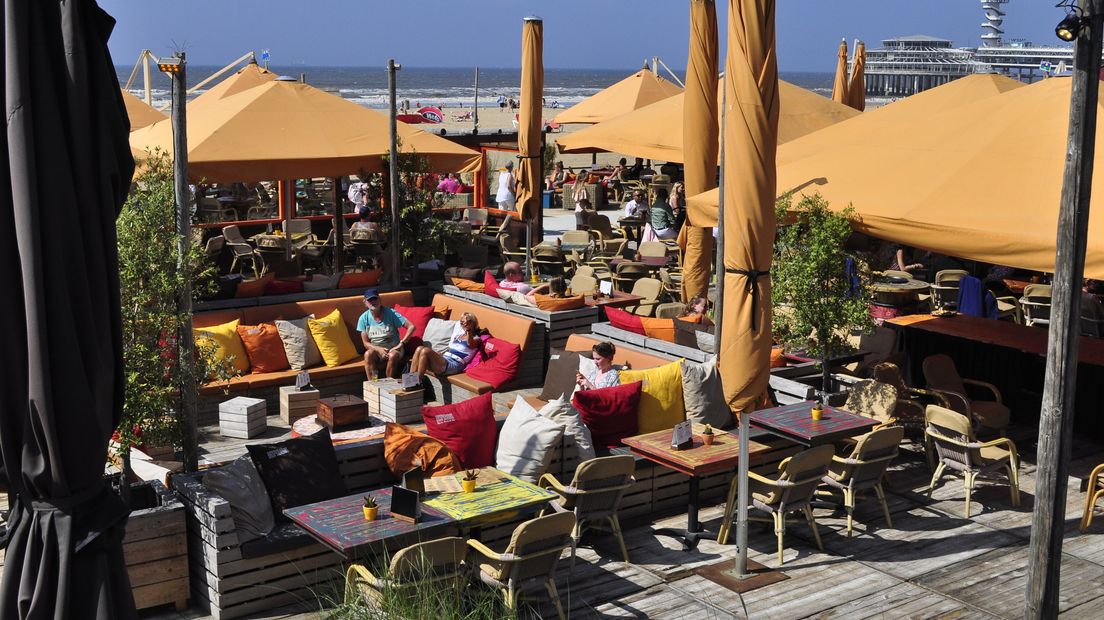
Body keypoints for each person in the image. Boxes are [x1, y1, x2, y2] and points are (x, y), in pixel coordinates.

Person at [357, 288, 415, 380]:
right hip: (376, 350)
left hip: (394, 348)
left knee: (393, 355)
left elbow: (411, 326)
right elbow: (366, 343)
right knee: (368, 354)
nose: (373, 302)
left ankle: (388, 384)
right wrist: (379, 349)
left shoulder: (391, 313)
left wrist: (402, 343)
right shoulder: (363, 318)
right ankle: (374, 382)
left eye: (375, 299)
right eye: (370, 300)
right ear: (365, 302)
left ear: (379, 299)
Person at [409, 312, 483, 381]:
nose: (463, 323)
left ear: (473, 323)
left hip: (455, 364)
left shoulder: (476, 339)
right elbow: (451, 349)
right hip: (445, 359)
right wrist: (440, 355)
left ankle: (416, 382)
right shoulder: (459, 336)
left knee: (426, 351)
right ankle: (410, 380)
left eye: (466, 321)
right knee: (419, 348)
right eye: (462, 321)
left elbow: (470, 344)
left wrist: (469, 331)